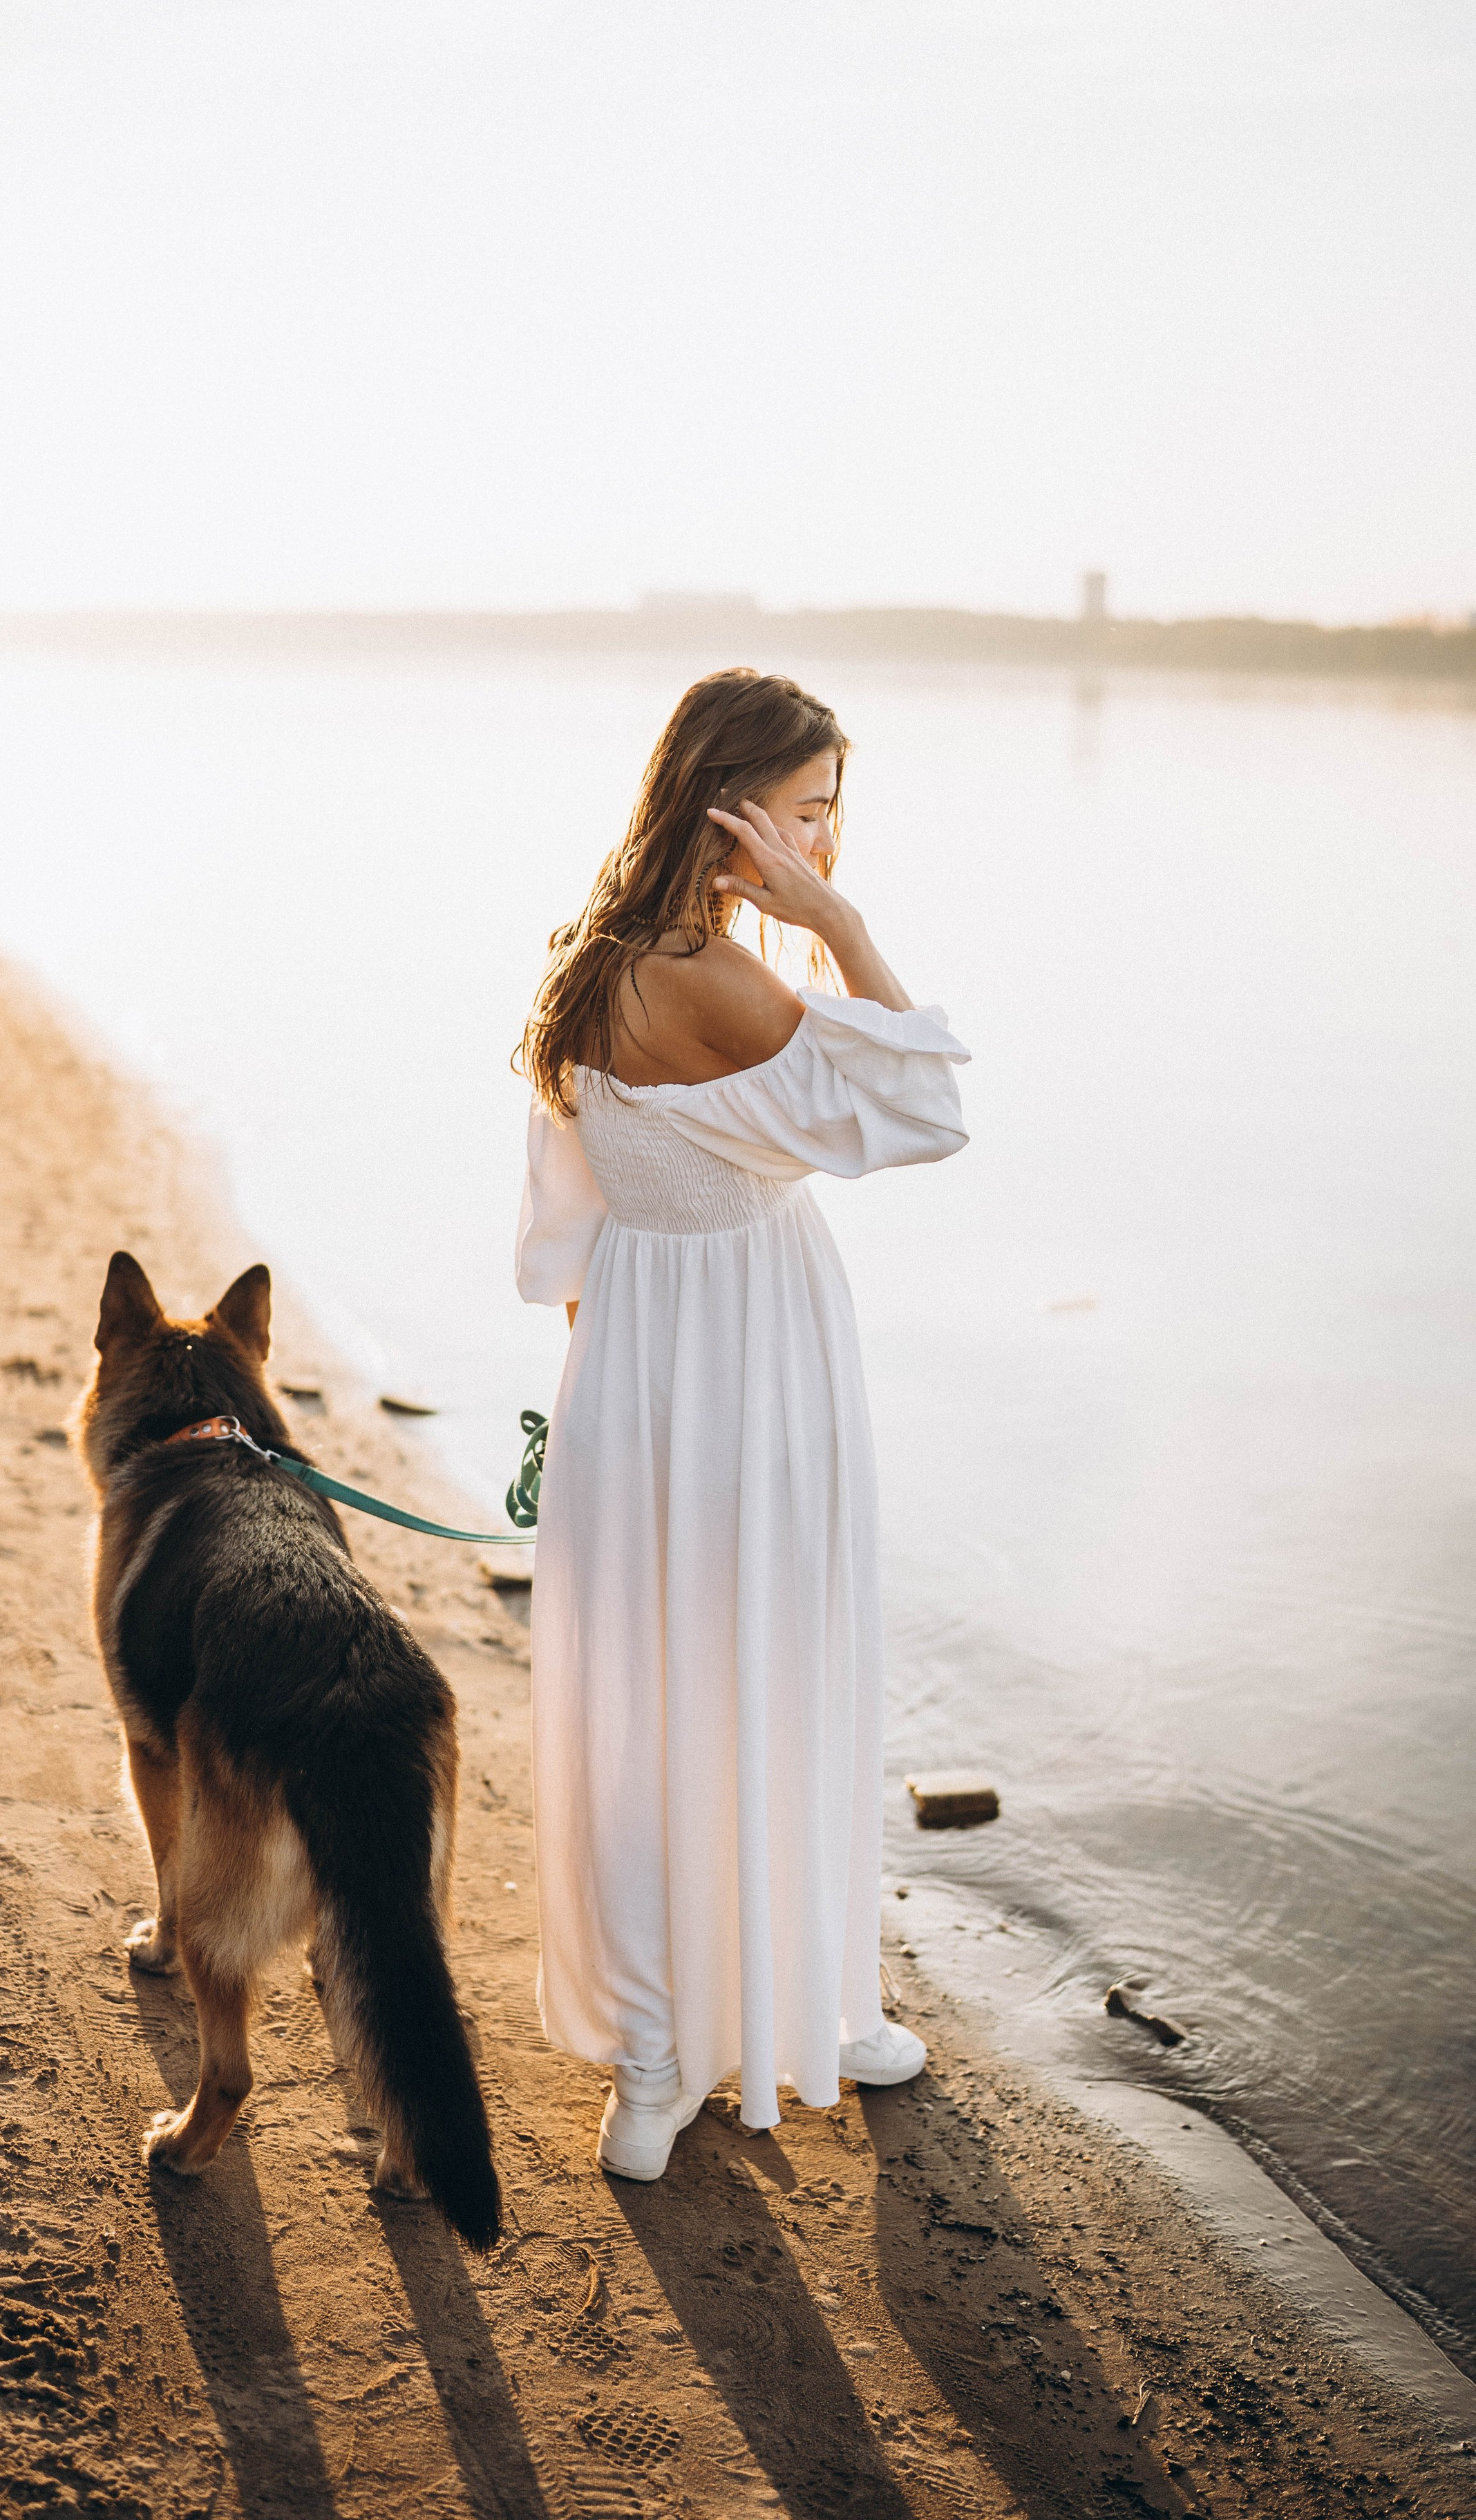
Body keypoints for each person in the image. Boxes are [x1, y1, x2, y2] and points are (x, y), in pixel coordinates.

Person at [513, 668, 972, 2181]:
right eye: (806, 816)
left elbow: (563, 1231)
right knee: (779, 1667)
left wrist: (593, 1409)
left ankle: (664, 2055)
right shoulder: (716, 975)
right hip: (751, 1357)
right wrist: (837, 931)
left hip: (637, 1360)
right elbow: (918, 1112)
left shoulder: (584, 962)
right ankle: (806, 2005)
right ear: (727, 812)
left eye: (833, 824)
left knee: (647, 1699)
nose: (823, 847)